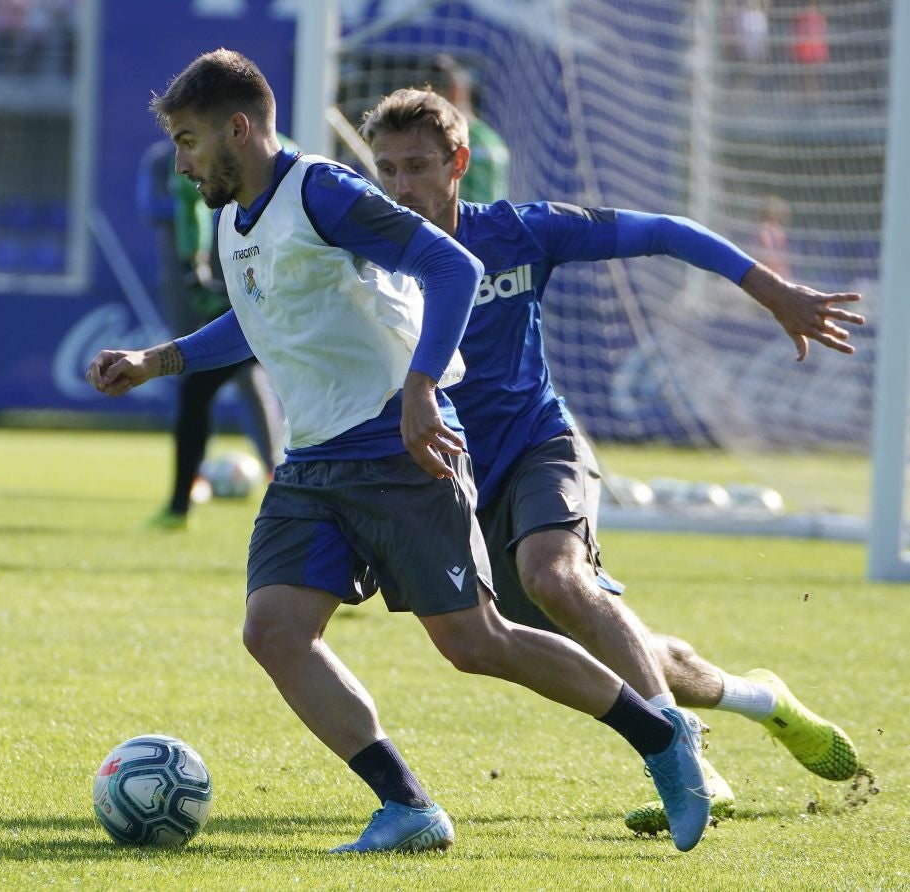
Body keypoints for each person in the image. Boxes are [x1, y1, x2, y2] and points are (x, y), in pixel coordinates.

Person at [89, 48, 712, 854]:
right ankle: (407, 807)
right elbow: (259, 319)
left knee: (474, 644)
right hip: (312, 462)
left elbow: (450, 263)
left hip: (391, 446)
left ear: (236, 129)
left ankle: (662, 737)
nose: (179, 162)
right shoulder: (232, 214)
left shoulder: (322, 190)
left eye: (186, 140)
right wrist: (157, 359)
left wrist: (421, 388)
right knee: (273, 632)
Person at [358, 86, 864, 836]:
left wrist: (768, 288)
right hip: (458, 486)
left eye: (417, 167)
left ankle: (686, 764)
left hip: (541, 446)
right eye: (386, 170)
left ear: (458, 162)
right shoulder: (367, 261)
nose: (401, 187)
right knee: (610, 642)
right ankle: (763, 701)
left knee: (553, 575)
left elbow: (664, 230)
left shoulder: (521, 233)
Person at [136, 139, 283, 529]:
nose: (183, 164)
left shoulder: (282, 162)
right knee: (199, 384)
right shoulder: (173, 163)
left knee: (271, 387)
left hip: (283, 300)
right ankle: (189, 497)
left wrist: (198, 262)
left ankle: (283, 482)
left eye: (187, 137)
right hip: (236, 301)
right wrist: (197, 268)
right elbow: (173, 209)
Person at [429, 54, 510, 204]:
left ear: (454, 90)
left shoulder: (447, 141)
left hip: (466, 225)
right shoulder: (489, 137)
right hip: (495, 224)